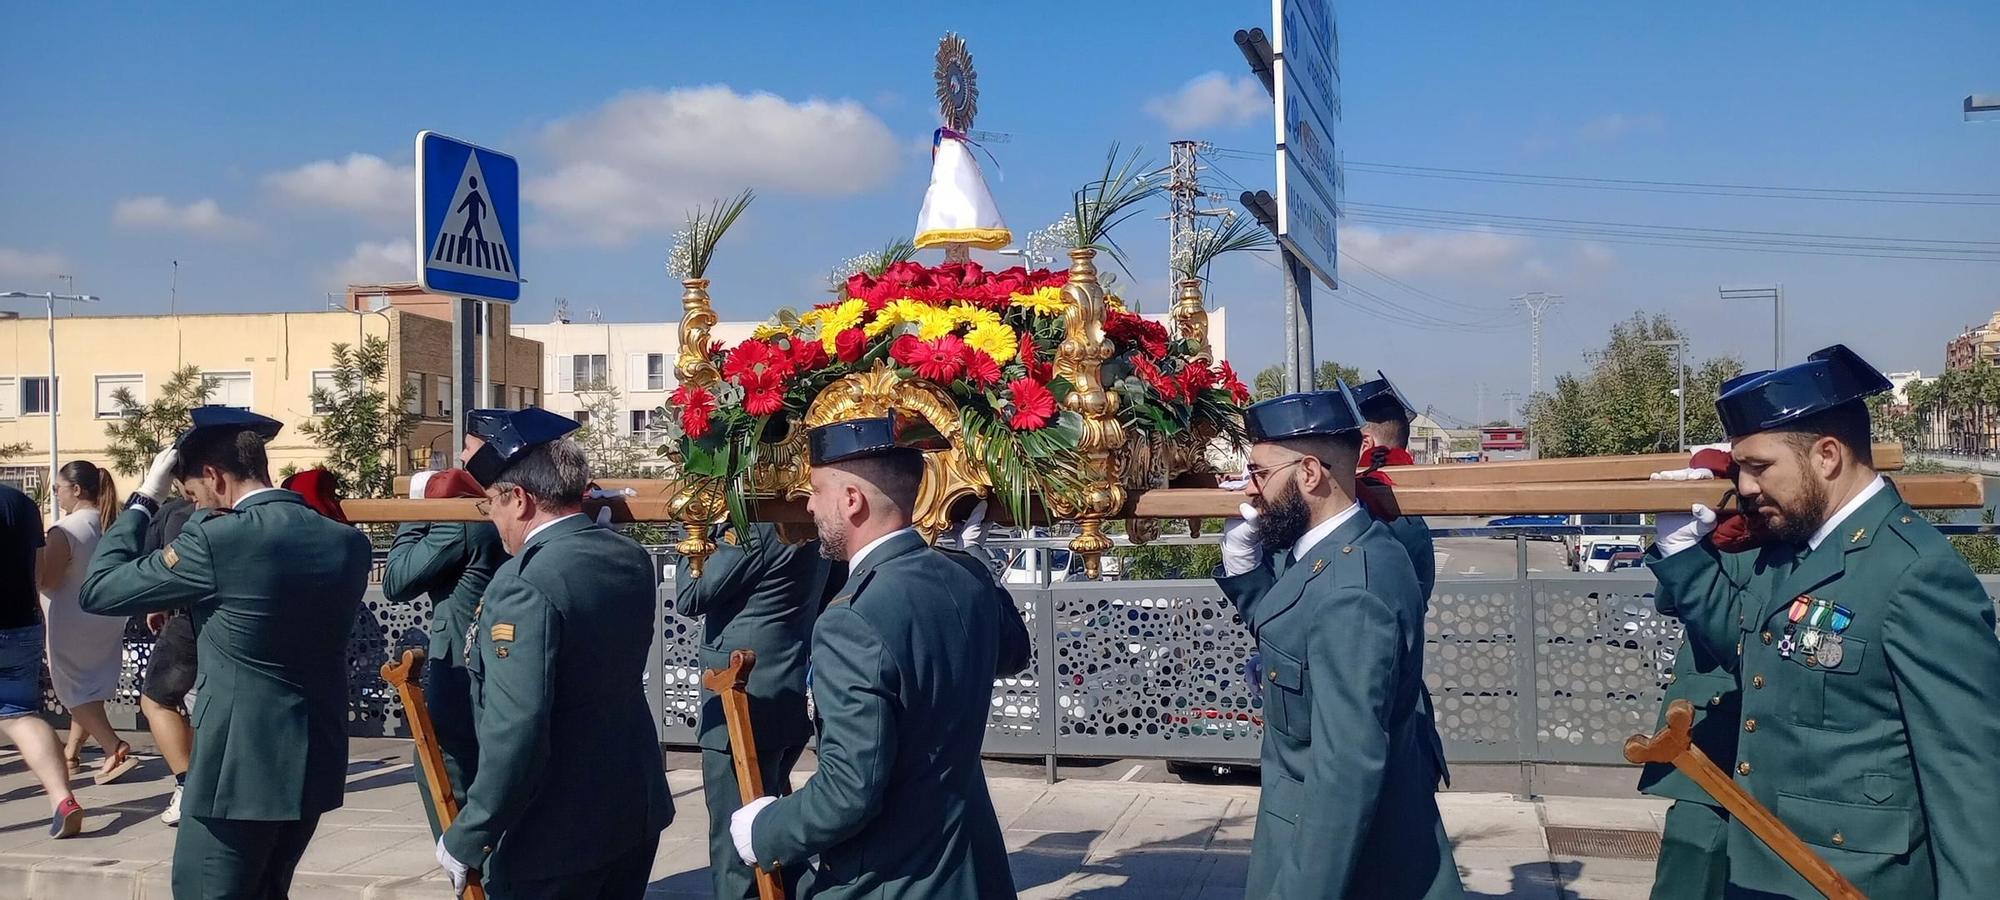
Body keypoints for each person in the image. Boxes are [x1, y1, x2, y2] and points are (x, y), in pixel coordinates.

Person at [1650, 345, 2000, 898]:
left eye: (1759, 467)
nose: (1744, 487)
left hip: (1849, 879)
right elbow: (1747, 652)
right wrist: (1682, 556)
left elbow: (1970, 777)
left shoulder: (1915, 571)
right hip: (1766, 863)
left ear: (1828, 456)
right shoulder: (1799, 551)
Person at [80, 406, 374, 898]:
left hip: (238, 766)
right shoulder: (344, 540)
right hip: (314, 757)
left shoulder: (220, 538)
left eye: (191, 493)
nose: (195, 506)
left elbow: (100, 589)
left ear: (214, 476)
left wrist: (143, 498)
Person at [731, 413, 1017, 899]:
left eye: (816, 491)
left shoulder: (851, 620)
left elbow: (849, 793)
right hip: (973, 872)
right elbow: (1013, 653)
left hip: (894, 879)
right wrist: (975, 564)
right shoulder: (965, 576)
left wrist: (766, 830)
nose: (809, 505)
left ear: (852, 500)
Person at [1214, 386, 1463, 899]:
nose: (1251, 489)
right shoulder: (1339, 553)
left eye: (1260, 473)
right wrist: (1244, 569)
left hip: (1337, 859)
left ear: (1309, 473)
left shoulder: (1353, 592)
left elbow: (1345, 770)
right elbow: (1294, 639)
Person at [436, 408, 672, 899]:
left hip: (556, 829)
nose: (494, 519)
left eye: (493, 505)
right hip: (630, 805)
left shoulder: (525, 582)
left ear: (519, 499)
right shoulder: (625, 556)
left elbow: (516, 728)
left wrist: (470, 833)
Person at [676, 520, 826, 900]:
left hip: (742, 695)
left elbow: (691, 594)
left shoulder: (756, 530)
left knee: (734, 840)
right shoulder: (812, 524)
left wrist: (693, 530)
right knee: (771, 817)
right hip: (788, 684)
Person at [384, 459, 507, 842]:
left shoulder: (463, 523)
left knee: (447, 776)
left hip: (462, 667)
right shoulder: (505, 513)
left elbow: (397, 581)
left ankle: (471, 873)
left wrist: (417, 512)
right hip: (503, 661)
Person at [39, 460, 140, 784]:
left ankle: (114, 747)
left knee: (72, 690)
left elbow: (49, 580)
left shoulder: (65, 530)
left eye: (58, 489)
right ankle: (71, 752)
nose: (57, 496)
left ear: (76, 490)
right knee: (89, 685)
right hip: (107, 614)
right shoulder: (113, 524)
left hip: (70, 617)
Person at [1, 482, 87, 838]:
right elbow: (37, 573)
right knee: (19, 714)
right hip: (22, 623)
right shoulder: (21, 502)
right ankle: (62, 798)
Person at [139, 495, 198, 826]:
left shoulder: (180, 516)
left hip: (190, 619)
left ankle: (187, 783)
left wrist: (158, 600)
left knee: (157, 701)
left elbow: (169, 569)